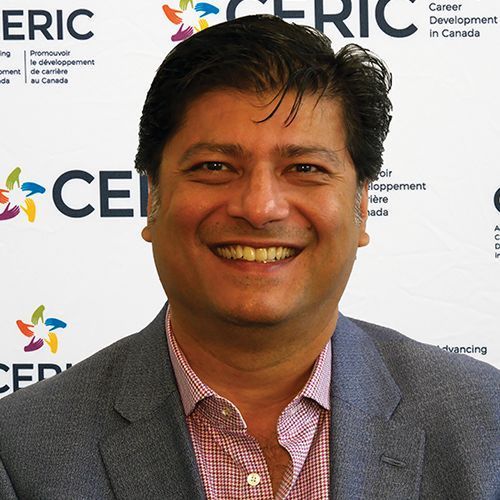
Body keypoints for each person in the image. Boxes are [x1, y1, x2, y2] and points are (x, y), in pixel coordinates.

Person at [0, 14, 498, 500]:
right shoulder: (20, 450)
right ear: (153, 198)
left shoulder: (485, 425)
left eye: (304, 168)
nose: (260, 208)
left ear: (362, 205)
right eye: (215, 166)